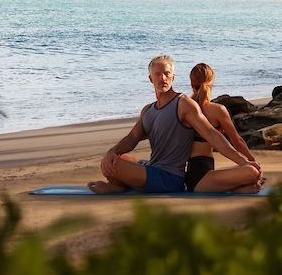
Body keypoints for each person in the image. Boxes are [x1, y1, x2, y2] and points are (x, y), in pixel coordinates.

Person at [88, 54, 262, 194]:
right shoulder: (147, 110)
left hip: (169, 176)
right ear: (150, 79)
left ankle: (121, 186)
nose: (163, 78)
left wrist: (243, 162)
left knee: (115, 166)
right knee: (114, 159)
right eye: (158, 74)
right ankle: (123, 184)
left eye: (167, 74)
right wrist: (112, 151)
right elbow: (132, 138)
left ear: (173, 76)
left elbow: (212, 134)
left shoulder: (184, 104)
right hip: (153, 168)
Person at [185, 63, 263, 193]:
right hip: (200, 178)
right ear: (211, 82)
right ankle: (238, 188)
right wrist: (252, 161)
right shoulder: (217, 110)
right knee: (252, 172)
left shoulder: (185, 108)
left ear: (191, 82)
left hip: (192, 175)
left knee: (252, 180)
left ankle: (239, 188)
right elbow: (237, 140)